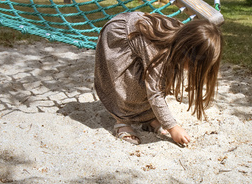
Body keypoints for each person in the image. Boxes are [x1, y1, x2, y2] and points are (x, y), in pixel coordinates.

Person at [94, 11, 223, 146]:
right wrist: (172, 127)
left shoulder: (180, 42)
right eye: (193, 64)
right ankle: (122, 121)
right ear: (185, 48)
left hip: (137, 32)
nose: (194, 69)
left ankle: (148, 117)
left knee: (161, 80)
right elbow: (155, 92)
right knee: (130, 83)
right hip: (119, 36)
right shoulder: (157, 49)